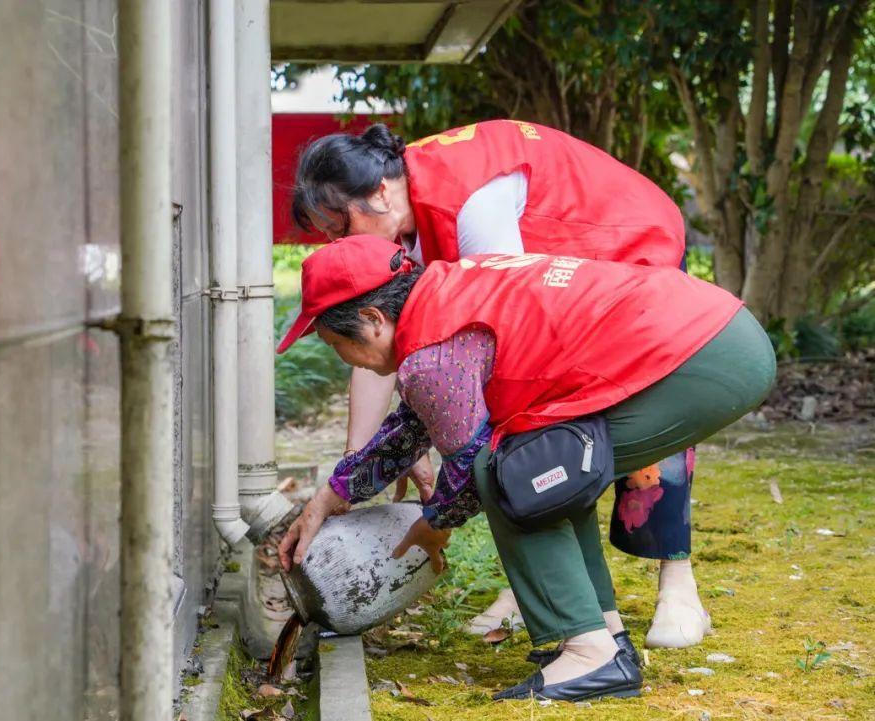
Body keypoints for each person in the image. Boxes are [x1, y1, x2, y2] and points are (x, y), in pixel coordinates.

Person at [277, 236, 775, 701]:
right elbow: (415, 424)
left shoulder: (431, 356)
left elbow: (470, 469)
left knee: (510, 474)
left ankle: (588, 654)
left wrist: (434, 526)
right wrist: (331, 495)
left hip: (702, 356)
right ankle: (601, 634)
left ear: (372, 318)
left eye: (333, 343)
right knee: (538, 463)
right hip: (717, 330)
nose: (346, 360)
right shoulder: (442, 298)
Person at [289, 120, 709, 647]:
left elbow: (498, 348)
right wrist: (351, 478)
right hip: (552, 285)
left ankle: (677, 586)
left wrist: (435, 490)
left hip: (625, 245)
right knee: (530, 439)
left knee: (563, 421)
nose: (339, 244)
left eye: (340, 226)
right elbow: (384, 346)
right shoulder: (396, 232)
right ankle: (563, 594)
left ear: (377, 193)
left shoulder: (471, 208)